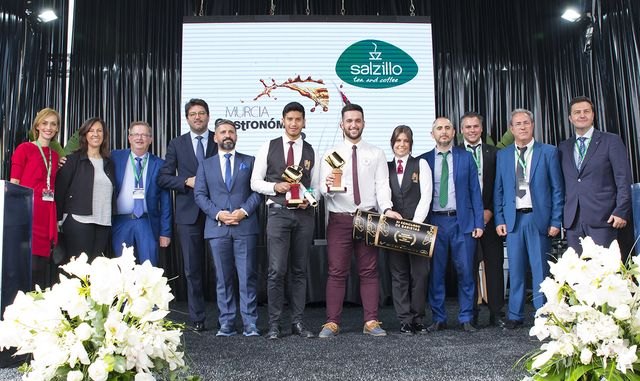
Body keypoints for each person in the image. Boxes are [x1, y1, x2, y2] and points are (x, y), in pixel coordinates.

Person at [318, 103, 402, 338]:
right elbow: (322, 189)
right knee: (336, 272)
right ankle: (332, 322)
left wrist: (386, 209)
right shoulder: (330, 154)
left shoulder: (376, 153)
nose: (353, 125)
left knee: (369, 271)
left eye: (357, 120)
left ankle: (371, 321)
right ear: (341, 124)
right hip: (339, 218)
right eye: (349, 121)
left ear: (363, 123)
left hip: (368, 218)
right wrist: (328, 188)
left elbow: (382, 185)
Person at [250, 101, 318, 340]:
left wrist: (310, 199)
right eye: (290, 119)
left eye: (298, 119)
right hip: (278, 213)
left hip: (304, 215)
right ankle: (275, 324)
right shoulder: (268, 146)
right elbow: (255, 182)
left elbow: (316, 187)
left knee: (299, 271)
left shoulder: (311, 150)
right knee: (276, 271)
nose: (293, 123)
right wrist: (274, 186)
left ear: (303, 122)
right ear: (282, 120)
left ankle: (298, 323)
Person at [494, 108, 564, 329]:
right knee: (515, 270)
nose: (522, 127)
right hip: (514, 220)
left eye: (526, 123)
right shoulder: (503, 155)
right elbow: (499, 190)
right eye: (518, 124)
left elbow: (557, 190)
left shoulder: (548, 152)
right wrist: (499, 219)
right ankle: (514, 315)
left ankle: (542, 315)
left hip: (538, 219)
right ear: (511, 129)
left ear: (532, 125)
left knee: (540, 270)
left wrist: (556, 221)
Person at [195, 119, 262, 337]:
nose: (227, 135)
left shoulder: (250, 161)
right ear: (215, 137)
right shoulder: (205, 164)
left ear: (236, 136)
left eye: (231, 132)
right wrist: (218, 213)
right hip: (217, 228)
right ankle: (227, 323)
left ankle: (250, 323)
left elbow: (257, 192)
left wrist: (243, 211)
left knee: (247, 277)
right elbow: (200, 195)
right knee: (223, 279)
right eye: (222, 131)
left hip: (245, 226)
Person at [418, 117, 484, 333]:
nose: (443, 132)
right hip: (434, 223)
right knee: (436, 274)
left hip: (462, 222)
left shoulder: (466, 158)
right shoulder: (424, 160)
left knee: (466, 271)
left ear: (454, 132)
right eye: (439, 128)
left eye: (447, 128)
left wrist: (479, 223)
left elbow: (475, 191)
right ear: (432, 134)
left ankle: (466, 317)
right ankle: (439, 318)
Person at [158, 98, 217, 332]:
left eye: (201, 113)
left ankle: (227, 317)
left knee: (220, 268)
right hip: (188, 214)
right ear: (187, 118)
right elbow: (163, 177)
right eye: (193, 114)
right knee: (192, 269)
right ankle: (198, 318)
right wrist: (185, 181)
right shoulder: (177, 144)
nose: (197, 117)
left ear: (208, 116)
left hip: (216, 211)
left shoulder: (218, 139)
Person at [558, 96, 632, 252]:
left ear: (593, 115)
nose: (582, 115)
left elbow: (623, 179)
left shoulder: (611, 141)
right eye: (577, 112)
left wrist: (621, 211)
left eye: (586, 111)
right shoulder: (563, 147)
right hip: (573, 222)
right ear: (570, 118)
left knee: (604, 273)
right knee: (577, 273)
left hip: (604, 219)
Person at [386, 125, 432, 335]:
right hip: (392, 230)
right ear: (392, 144)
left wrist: (415, 224)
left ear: (410, 144)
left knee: (420, 275)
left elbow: (426, 196)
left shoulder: (420, 164)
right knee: (399, 275)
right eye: (398, 141)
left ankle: (418, 318)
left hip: (418, 229)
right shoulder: (385, 167)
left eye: (405, 141)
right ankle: (404, 320)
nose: (401, 145)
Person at [459, 112, 504, 326]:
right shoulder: (455, 154)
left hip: (490, 217)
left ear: (481, 129)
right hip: (465, 220)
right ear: (461, 130)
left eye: (475, 126)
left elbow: (501, 186)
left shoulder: (495, 154)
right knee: (468, 266)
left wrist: (490, 211)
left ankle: (496, 313)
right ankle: (472, 314)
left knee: (493, 265)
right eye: (467, 127)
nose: (472, 130)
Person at [10, 108, 61, 288]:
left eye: (53, 124)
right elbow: (14, 185)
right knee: (26, 267)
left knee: (41, 269)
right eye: (45, 123)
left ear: (57, 129)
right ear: (37, 126)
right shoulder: (24, 149)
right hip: (28, 214)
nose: (49, 127)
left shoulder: (55, 156)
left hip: (46, 215)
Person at [111, 121, 172, 266]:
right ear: (129, 138)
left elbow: (165, 202)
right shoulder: (114, 157)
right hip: (121, 222)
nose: (140, 138)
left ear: (150, 139)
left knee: (149, 268)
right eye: (136, 134)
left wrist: (166, 232)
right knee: (122, 269)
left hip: (148, 223)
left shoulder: (160, 164)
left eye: (144, 135)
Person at [55, 117, 115, 262]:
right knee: (79, 269)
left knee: (95, 269)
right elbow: (60, 190)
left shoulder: (109, 163)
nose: (95, 134)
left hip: (103, 222)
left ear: (104, 135)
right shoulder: (72, 160)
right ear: (85, 135)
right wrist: (58, 219)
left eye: (99, 130)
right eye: (91, 130)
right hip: (78, 220)